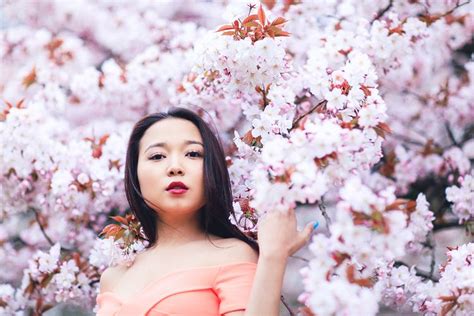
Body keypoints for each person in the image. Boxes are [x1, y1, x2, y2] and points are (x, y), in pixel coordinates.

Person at [96, 107, 317, 315]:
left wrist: (273, 257)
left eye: (192, 154)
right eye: (157, 156)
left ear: (212, 169)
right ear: (135, 175)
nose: (175, 167)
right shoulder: (114, 277)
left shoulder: (232, 254)